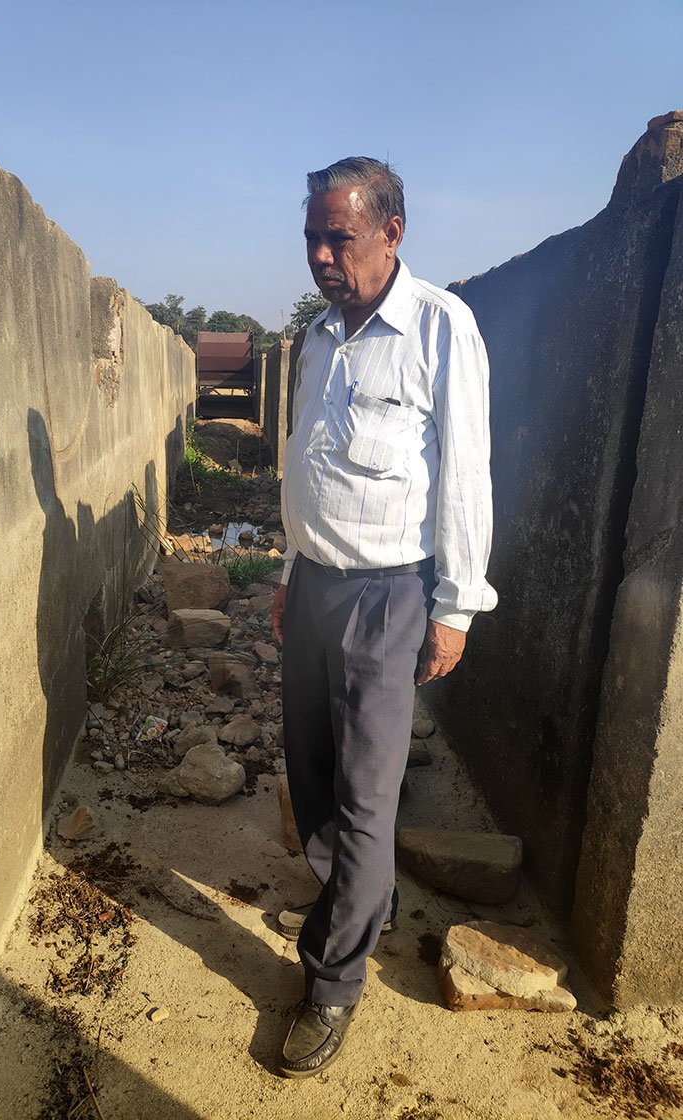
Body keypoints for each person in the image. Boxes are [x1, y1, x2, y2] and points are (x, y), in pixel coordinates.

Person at [270, 157, 497, 1078]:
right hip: (317, 586)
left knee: (367, 794)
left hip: (389, 596)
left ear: (392, 232)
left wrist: (456, 609)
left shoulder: (441, 327)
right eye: (314, 237)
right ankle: (357, 901)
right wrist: (288, 573)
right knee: (313, 770)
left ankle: (332, 987)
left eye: (342, 237)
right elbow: (304, 468)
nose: (324, 255)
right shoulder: (320, 339)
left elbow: (467, 477)